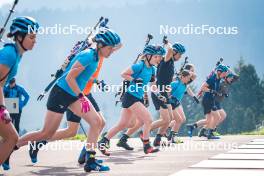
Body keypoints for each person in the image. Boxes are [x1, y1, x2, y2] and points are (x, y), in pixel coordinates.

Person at [13, 28, 122, 172]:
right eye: (110, 48)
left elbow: (82, 75)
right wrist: (82, 97)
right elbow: (69, 78)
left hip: (72, 95)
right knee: (46, 133)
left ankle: (90, 160)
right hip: (61, 93)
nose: (112, 52)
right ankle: (12, 145)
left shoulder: (96, 56)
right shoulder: (88, 55)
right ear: (101, 45)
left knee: (97, 121)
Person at [98, 44, 165, 155]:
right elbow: (123, 73)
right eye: (156, 57)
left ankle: (103, 141)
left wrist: (159, 95)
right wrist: (134, 80)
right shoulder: (139, 66)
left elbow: (153, 85)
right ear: (148, 56)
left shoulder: (153, 70)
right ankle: (147, 146)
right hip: (131, 97)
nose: (159, 59)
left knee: (123, 124)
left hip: (136, 97)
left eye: (160, 57)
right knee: (148, 120)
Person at [0, 16, 39, 169]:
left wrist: (2, 107)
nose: (35, 41)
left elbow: (1, 83)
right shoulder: (9, 54)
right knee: (11, 137)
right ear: (20, 36)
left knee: (11, 137)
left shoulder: (16, 53)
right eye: (32, 37)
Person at [187, 71, 239, 138]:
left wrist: (223, 93)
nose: (232, 79)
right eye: (231, 78)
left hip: (211, 101)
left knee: (209, 120)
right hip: (211, 101)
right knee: (219, 116)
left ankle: (195, 127)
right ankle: (210, 132)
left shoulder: (221, 81)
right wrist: (218, 93)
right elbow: (210, 88)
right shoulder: (220, 81)